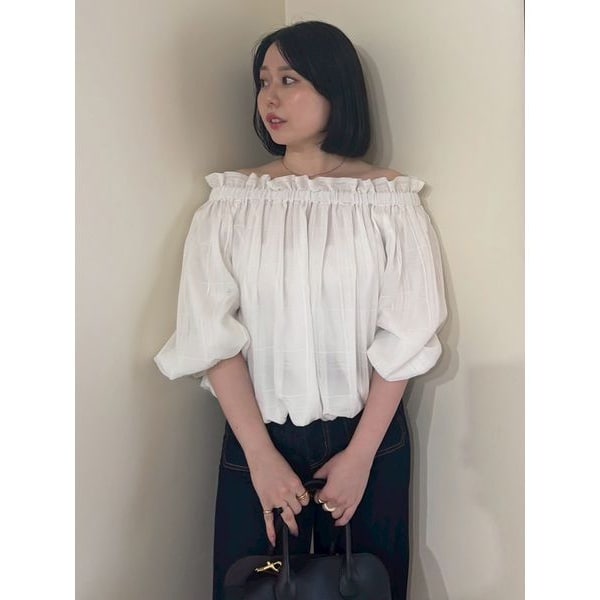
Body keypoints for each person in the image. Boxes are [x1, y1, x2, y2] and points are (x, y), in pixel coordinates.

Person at [154, 20, 447, 600]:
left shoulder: (388, 202)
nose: (270, 97)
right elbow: (211, 334)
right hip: (257, 436)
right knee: (253, 585)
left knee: (367, 586)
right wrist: (260, 457)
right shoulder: (232, 201)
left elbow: (407, 336)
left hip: (367, 438)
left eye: (289, 79)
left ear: (335, 87)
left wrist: (360, 457)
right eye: (263, 81)